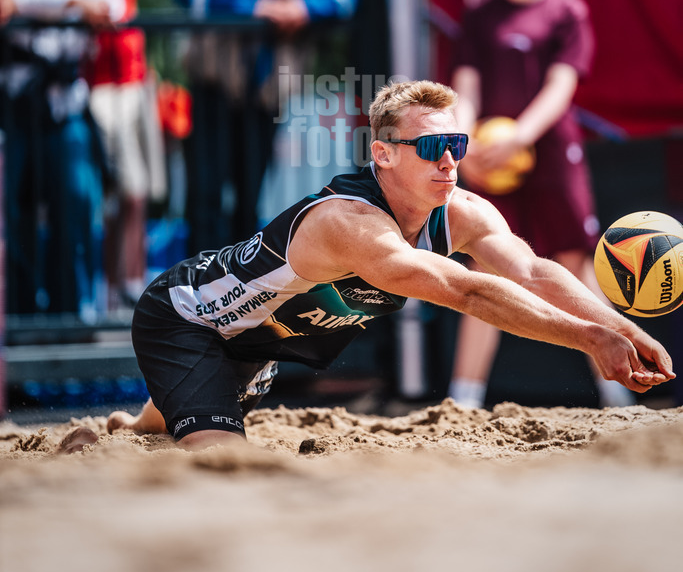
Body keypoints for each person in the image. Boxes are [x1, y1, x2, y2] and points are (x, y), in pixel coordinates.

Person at [107, 79, 673, 450]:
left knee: (155, 431)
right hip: (189, 318)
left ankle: (117, 433)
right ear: (382, 153)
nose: (449, 160)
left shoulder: (462, 208)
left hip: (259, 341)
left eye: (456, 142)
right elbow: (468, 292)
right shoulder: (349, 224)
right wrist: (589, 340)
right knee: (222, 459)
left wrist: (622, 328)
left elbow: (532, 272)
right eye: (430, 147)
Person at [447, 0, 627, 408]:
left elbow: (562, 85)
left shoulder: (568, 11)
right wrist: (463, 146)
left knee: (574, 261)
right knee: (485, 267)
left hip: (548, 149)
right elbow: (466, 86)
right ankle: (463, 400)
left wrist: (520, 136)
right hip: (488, 156)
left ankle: (620, 392)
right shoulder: (481, 16)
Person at [173, 0, 359, 250]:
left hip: (268, 87)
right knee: (203, 194)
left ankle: (237, 298)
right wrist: (254, 8)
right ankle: (191, 302)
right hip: (214, 78)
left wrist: (304, 7)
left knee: (250, 196)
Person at [0, 0, 126, 319]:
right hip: (17, 103)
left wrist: (37, 2)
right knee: (15, 215)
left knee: (75, 202)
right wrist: (73, 1)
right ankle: (22, 319)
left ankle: (71, 317)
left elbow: (113, 4)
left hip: (67, 98)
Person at [62, 0, 166, 309]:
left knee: (140, 192)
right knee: (113, 194)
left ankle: (132, 283)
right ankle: (108, 292)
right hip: (96, 84)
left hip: (133, 80)